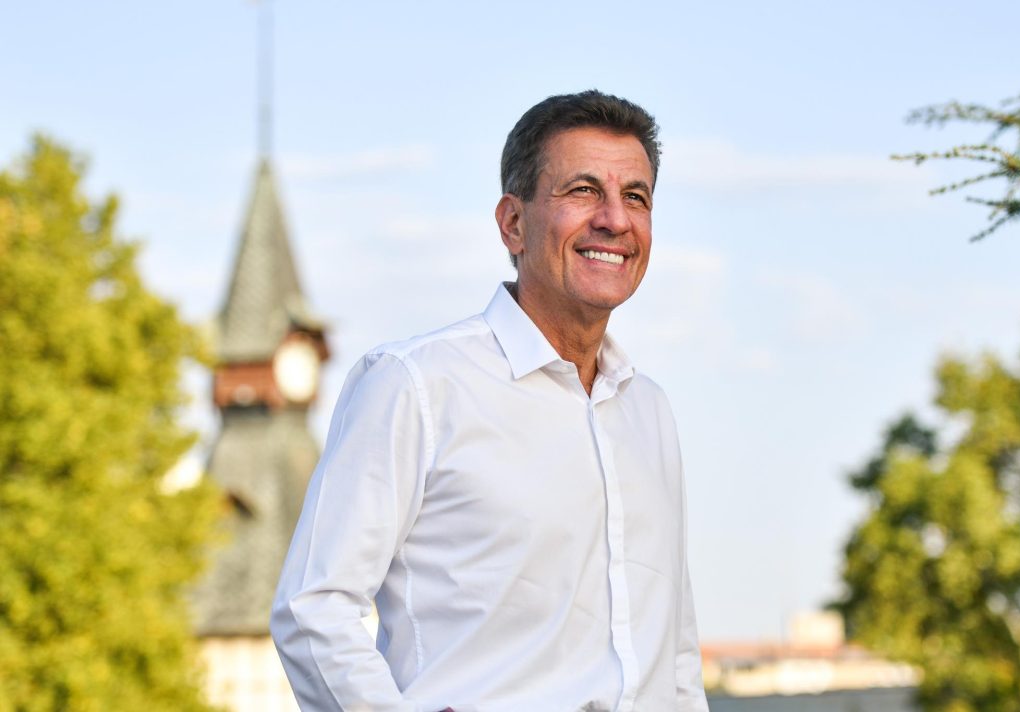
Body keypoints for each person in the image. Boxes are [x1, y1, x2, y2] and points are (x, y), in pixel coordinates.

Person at [271, 90, 708, 712]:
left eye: (635, 197)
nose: (615, 219)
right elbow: (313, 607)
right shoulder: (415, 385)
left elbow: (674, 651)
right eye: (583, 190)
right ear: (512, 223)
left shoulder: (649, 410)